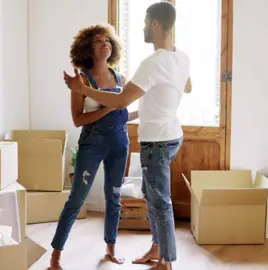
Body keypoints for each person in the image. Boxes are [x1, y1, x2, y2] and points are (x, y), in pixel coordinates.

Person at [63, 2, 191, 270]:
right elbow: (187, 86)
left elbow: (120, 101)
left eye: (146, 23)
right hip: (172, 135)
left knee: (160, 200)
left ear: (155, 24)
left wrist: (82, 89)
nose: (145, 28)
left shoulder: (152, 63)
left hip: (157, 140)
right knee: (151, 193)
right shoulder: (181, 57)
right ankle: (157, 249)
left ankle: (167, 262)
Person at [49, 23, 138, 270]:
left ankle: (111, 248)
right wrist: (111, 106)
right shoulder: (81, 80)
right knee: (77, 199)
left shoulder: (120, 78)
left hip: (120, 143)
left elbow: (123, 115)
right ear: (88, 47)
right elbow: (78, 120)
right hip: (92, 144)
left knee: (114, 197)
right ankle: (55, 255)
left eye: (108, 40)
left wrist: (146, 111)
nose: (105, 44)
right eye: (99, 41)